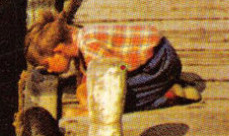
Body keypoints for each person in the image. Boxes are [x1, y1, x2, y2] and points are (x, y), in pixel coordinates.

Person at [25, 11, 200, 110]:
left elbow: (116, 74)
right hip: (162, 53)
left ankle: (167, 95)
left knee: (119, 102)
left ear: (58, 51)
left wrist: (88, 103)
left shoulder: (89, 47)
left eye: (47, 64)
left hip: (161, 63)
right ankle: (163, 85)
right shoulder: (82, 36)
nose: (50, 71)